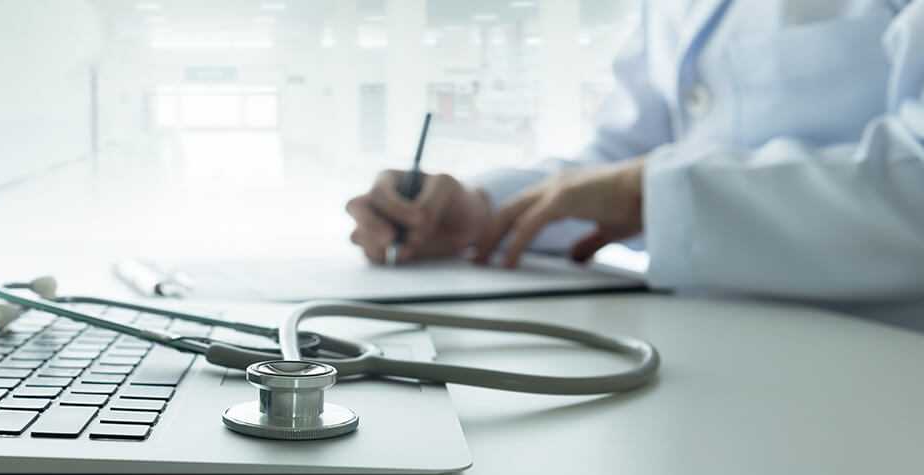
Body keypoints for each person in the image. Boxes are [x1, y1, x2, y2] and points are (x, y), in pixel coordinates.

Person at [346, 0, 924, 330]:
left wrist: (646, 192)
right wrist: (478, 212)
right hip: (715, 352)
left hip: (885, 370)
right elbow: (620, 164)